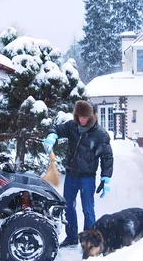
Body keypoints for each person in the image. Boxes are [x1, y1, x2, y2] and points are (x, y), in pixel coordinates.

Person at [43, 100, 114, 247]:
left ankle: (90, 239)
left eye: (85, 117)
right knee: (68, 206)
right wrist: (52, 135)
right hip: (71, 175)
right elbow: (56, 128)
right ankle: (71, 237)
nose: (82, 120)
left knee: (88, 209)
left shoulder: (100, 134)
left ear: (90, 116)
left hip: (87, 177)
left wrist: (105, 178)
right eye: (80, 116)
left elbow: (107, 157)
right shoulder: (72, 126)